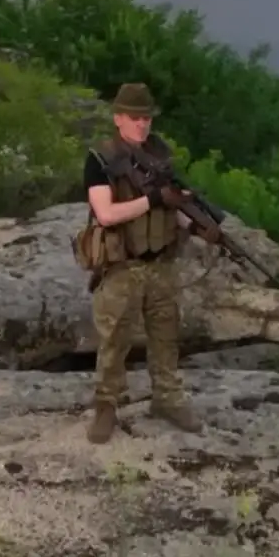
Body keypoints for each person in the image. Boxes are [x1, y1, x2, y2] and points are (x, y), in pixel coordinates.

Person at [81, 82, 222, 444]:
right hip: (121, 264)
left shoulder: (160, 156)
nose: (142, 125)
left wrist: (194, 226)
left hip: (160, 262)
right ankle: (106, 406)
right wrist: (155, 199)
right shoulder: (101, 159)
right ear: (118, 118)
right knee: (115, 339)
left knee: (166, 336)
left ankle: (168, 399)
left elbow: (171, 209)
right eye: (135, 118)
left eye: (146, 118)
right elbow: (106, 213)